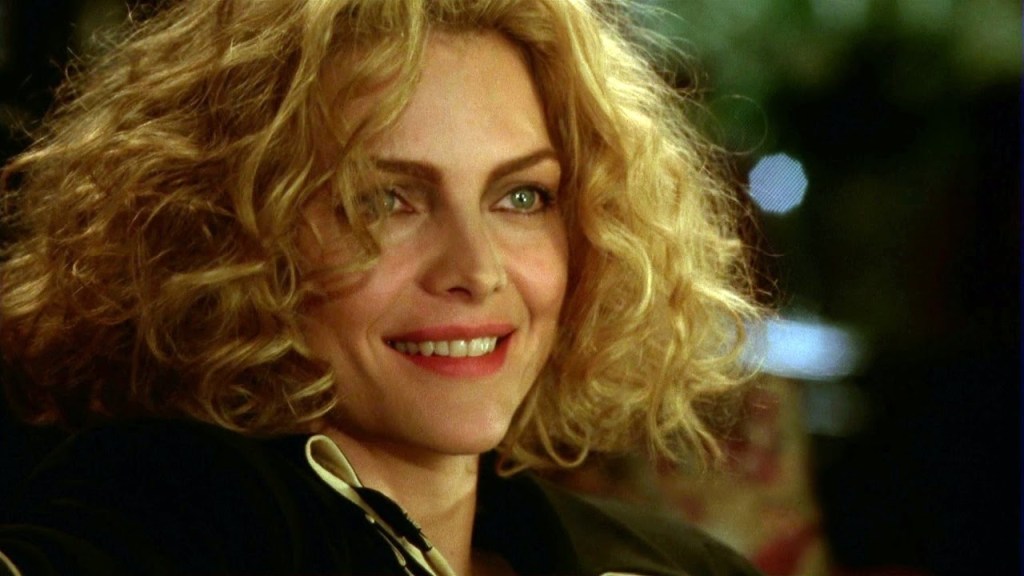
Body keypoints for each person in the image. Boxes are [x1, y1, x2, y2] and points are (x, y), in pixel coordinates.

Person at [0, 0, 762, 574]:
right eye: (385, 201)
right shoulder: (163, 516)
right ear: (233, 234)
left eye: (521, 197)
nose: (476, 271)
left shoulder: (683, 564)